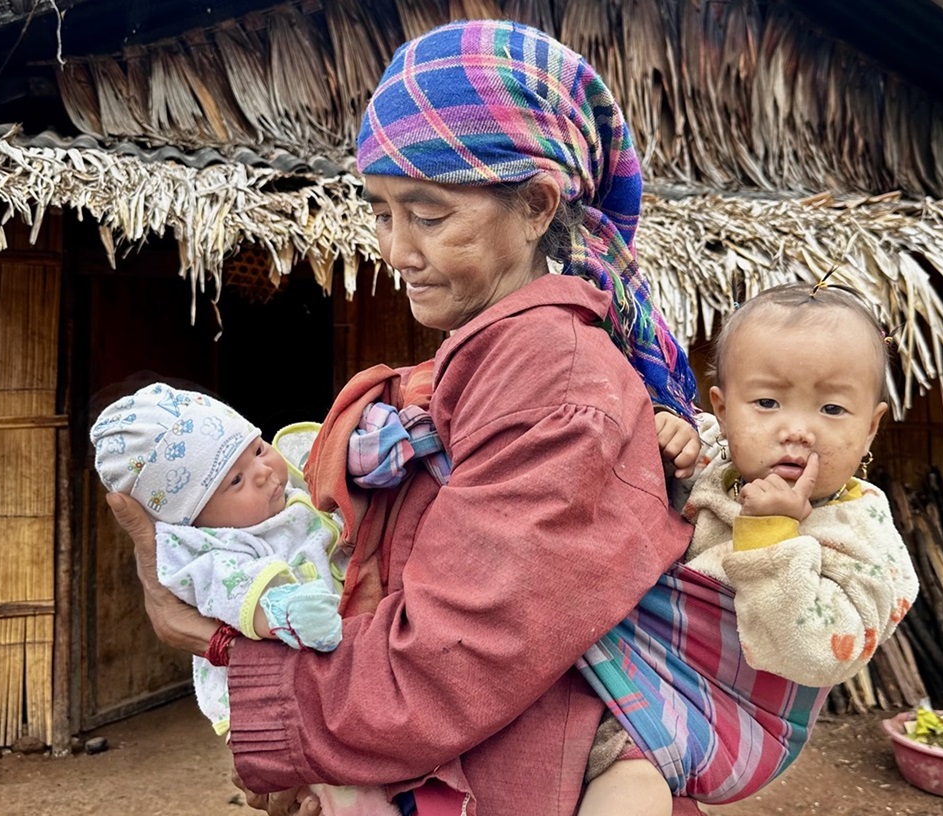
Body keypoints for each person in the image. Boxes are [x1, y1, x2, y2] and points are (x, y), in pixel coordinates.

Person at [106, 18, 706, 816]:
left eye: (426, 215)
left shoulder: (557, 388)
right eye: (382, 212)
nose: (393, 248)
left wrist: (213, 642)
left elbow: (439, 670)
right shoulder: (468, 366)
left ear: (534, 205)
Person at [579, 281, 920, 807]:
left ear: (871, 427)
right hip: (631, 664)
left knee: (629, 780)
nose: (797, 430)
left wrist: (772, 538)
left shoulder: (863, 532)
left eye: (831, 409)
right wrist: (670, 440)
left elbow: (816, 655)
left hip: (731, 718)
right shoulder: (716, 458)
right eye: (766, 402)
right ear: (723, 405)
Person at [90, 382, 444, 816]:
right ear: (193, 519)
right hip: (283, 679)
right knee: (344, 789)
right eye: (234, 480)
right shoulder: (212, 551)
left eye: (257, 449)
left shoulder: (292, 492)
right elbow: (236, 586)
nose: (263, 471)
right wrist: (282, 609)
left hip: (352, 663)